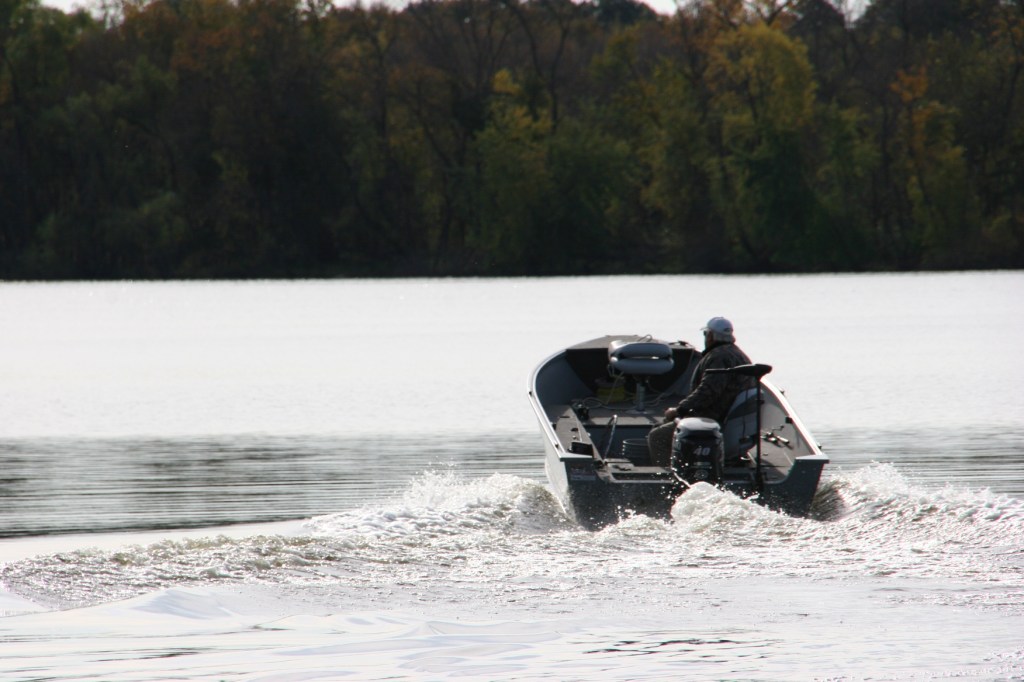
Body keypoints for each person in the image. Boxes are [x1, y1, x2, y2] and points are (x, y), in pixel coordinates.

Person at [646, 317, 756, 467]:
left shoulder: (718, 357)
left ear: (710, 336)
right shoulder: (739, 354)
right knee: (665, 426)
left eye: (706, 334)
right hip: (727, 416)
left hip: (711, 418)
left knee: (658, 436)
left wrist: (679, 410)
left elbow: (708, 392)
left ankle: (667, 476)